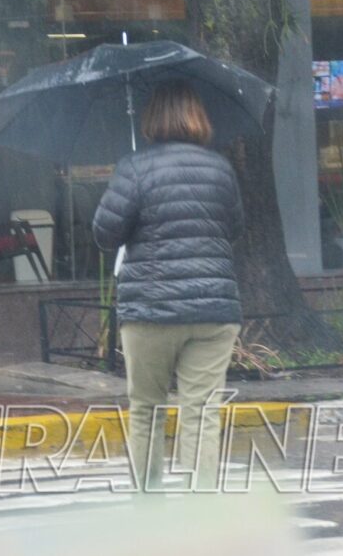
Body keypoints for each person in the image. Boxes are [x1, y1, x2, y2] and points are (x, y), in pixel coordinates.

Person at [92, 81, 244, 491]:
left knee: (146, 410)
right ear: (198, 117)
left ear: (151, 119)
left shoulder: (135, 168)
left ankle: (150, 508)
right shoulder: (221, 169)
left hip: (151, 311)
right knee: (202, 412)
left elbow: (105, 235)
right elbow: (235, 230)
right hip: (214, 310)